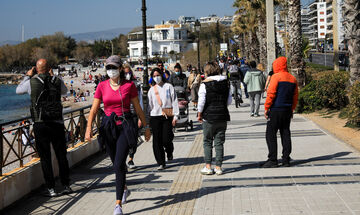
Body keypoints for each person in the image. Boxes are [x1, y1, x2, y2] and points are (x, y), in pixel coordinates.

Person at [85, 55, 151, 215]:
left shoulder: (129, 86)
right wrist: (88, 129)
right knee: (117, 163)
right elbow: (94, 109)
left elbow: (138, 108)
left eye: (113, 67)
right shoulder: (101, 86)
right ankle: (125, 188)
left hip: (125, 127)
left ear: (120, 68)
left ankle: (118, 204)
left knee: (118, 164)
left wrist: (146, 127)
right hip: (108, 127)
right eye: (108, 68)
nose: (111, 70)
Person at [16, 59, 71, 197]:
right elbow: (66, 92)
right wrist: (55, 76)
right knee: (61, 155)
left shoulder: (31, 82)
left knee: (45, 157)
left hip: (40, 123)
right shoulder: (56, 81)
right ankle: (66, 185)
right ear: (49, 69)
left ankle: (51, 189)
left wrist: (27, 76)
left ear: (36, 68)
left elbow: (18, 91)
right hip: (57, 122)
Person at [263, 57, 299, 168]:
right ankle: (286, 159)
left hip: (275, 110)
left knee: (270, 134)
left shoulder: (275, 77)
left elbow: (271, 93)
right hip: (287, 110)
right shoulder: (293, 78)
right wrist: (292, 109)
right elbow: (295, 97)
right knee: (285, 133)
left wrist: (266, 107)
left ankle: (273, 160)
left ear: (276, 65)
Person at [197, 62, 232, 175]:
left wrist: (199, 113)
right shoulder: (226, 83)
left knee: (207, 141)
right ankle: (218, 167)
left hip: (209, 117)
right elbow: (229, 101)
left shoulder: (204, 84)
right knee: (219, 142)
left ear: (207, 72)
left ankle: (208, 166)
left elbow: (201, 101)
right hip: (222, 116)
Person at [148, 67, 179, 170]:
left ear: (162, 75)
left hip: (167, 116)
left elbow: (174, 101)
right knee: (157, 141)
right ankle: (161, 162)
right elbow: (150, 105)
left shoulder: (168, 86)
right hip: (155, 116)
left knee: (167, 138)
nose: (156, 77)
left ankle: (169, 151)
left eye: (158, 75)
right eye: (154, 76)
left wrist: (176, 115)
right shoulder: (152, 90)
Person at [124, 63, 143, 169]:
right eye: (125, 73)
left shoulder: (136, 84)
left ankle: (131, 158)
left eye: (129, 72)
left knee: (134, 137)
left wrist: (141, 116)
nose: (127, 74)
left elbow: (140, 101)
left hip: (134, 114)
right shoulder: (119, 84)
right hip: (123, 115)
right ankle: (123, 157)